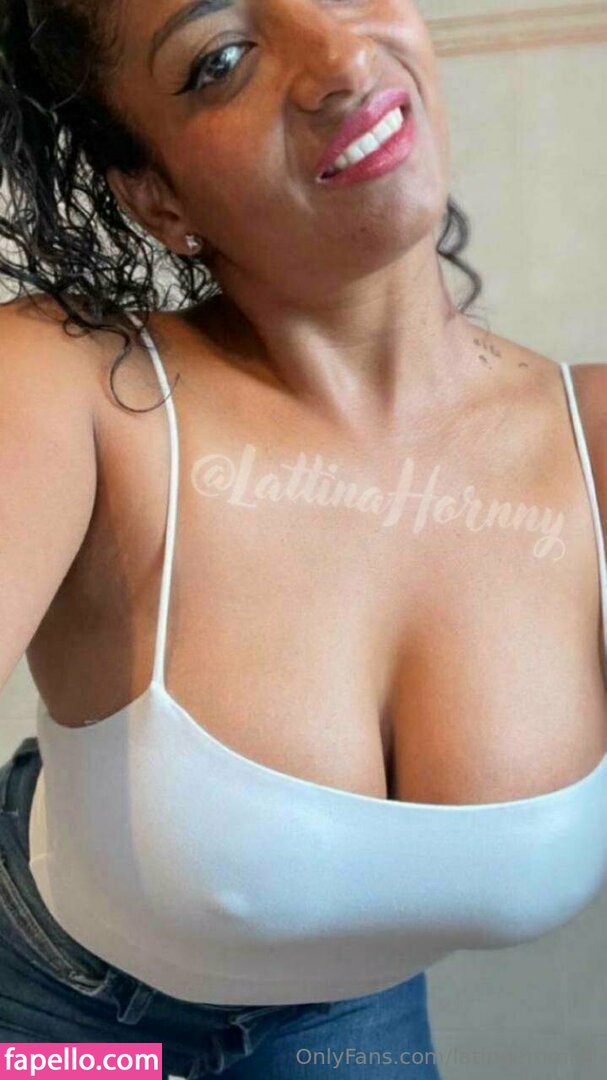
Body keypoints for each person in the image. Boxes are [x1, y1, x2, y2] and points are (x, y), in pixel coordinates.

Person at [0, 1, 606, 1077]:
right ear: (156, 195)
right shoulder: (69, 387)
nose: (340, 60)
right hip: (57, 1014)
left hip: (346, 1027)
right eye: (222, 59)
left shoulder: (591, 441)